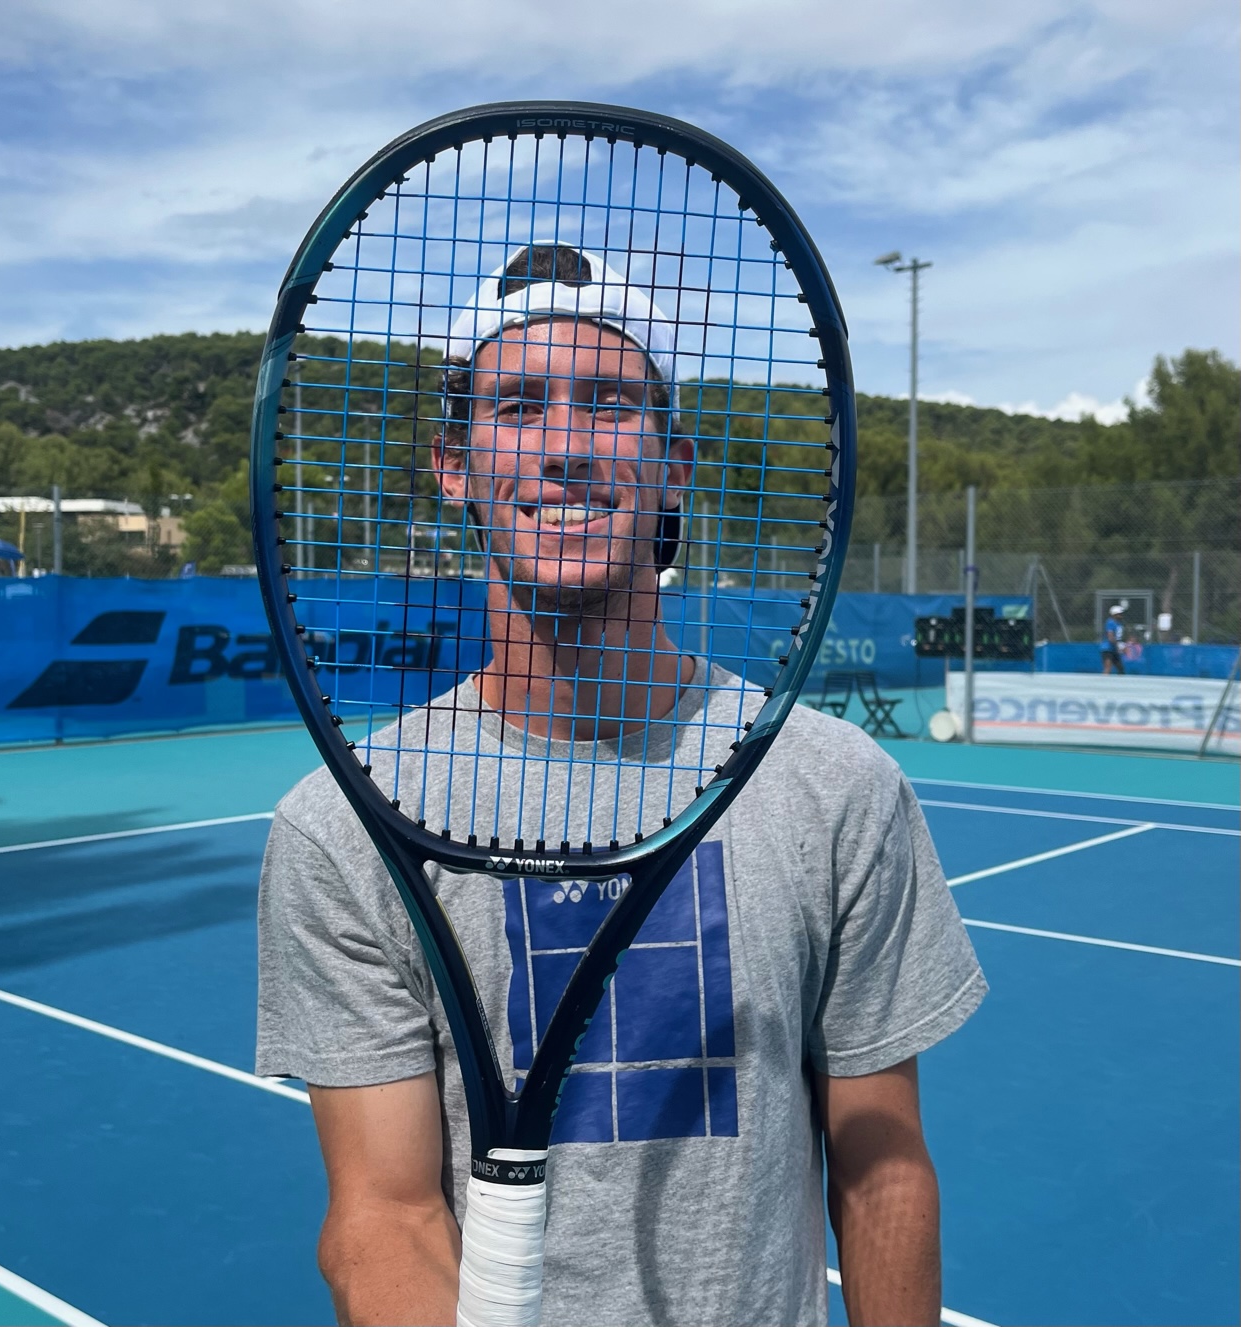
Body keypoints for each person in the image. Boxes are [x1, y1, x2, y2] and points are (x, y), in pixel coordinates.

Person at [256, 244, 987, 1326]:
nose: (564, 446)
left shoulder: (837, 786)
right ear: (453, 465)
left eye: (608, 404)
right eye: (517, 406)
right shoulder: (343, 826)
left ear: (674, 463)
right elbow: (381, 1216)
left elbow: (881, 1170)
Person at [1101, 604, 1126, 674]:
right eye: (1119, 614)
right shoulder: (1110, 622)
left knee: (1120, 669)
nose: (1121, 615)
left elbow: (1119, 636)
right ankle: (1104, 680)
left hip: (1114, 649)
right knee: (1108, 667)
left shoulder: (1119, 623)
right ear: (1114, 614)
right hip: (1107, 648)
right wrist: (1118, 645)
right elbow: (1110, 636)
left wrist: (1121, 645)